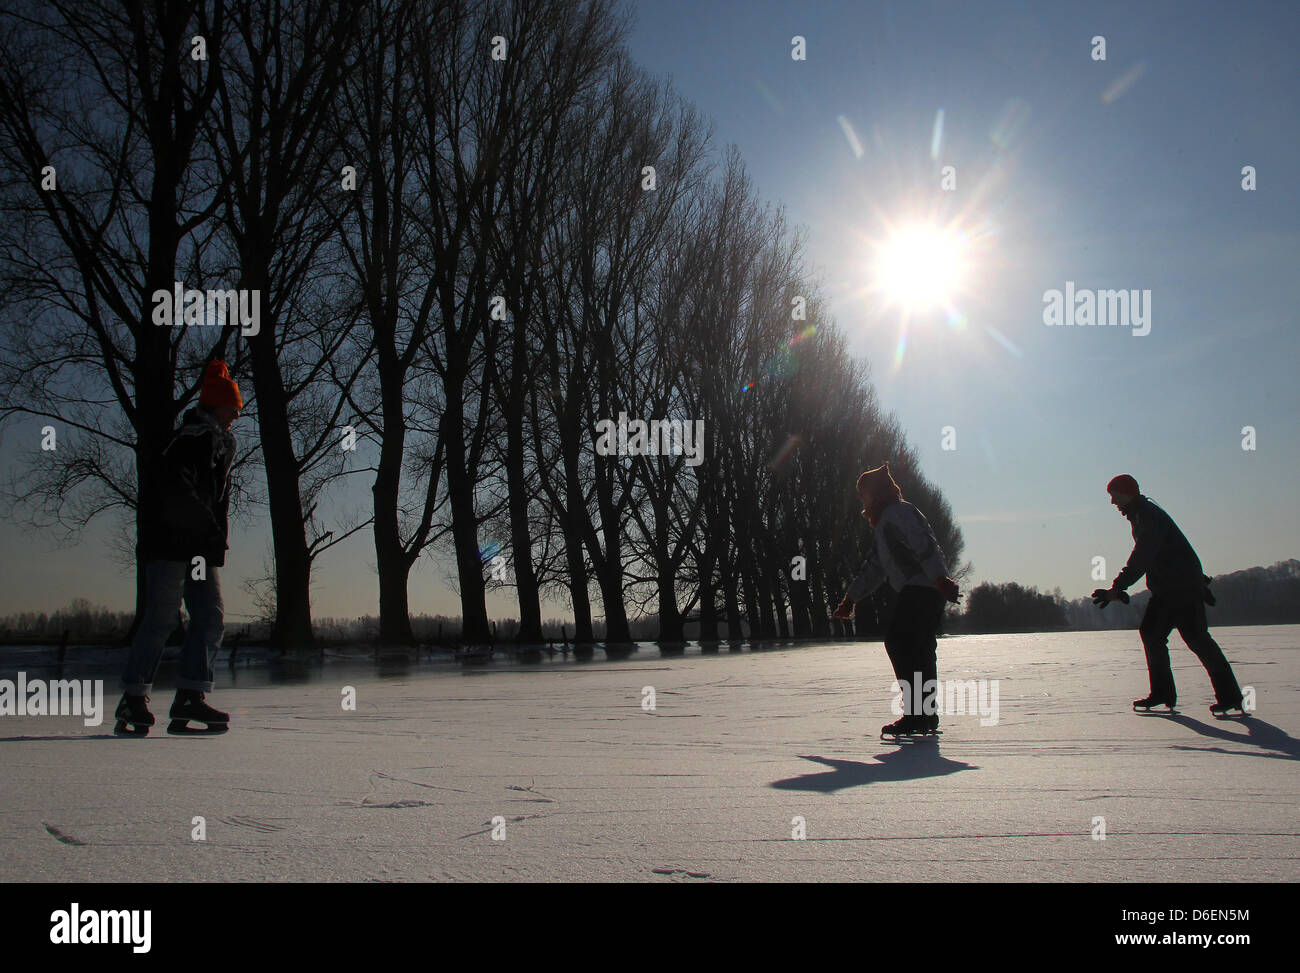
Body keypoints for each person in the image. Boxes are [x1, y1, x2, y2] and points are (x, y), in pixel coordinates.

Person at [114, 360, 242, 736]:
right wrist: (207, 527)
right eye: (232, 407)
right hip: (171, 546)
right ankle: (133, 697)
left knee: (209, 615)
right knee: (162, 617)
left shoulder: (217, 445)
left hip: (198, 551)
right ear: (216, 406)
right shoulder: (189, 441)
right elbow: (176, 493)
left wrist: (211, 537)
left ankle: (190, 695)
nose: (236, 414)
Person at [1091, 474, 1244, 716]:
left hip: (1178, 589)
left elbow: (1144, 554)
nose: (1112, 502)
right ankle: (1168, 694)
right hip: (1173, 588)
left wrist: (1119, 587)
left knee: (1192, 639)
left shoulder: (1147, 515)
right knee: (1161, 635)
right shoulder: (1141, 514)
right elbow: (1174, 551)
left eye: (1115, 496)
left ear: (1128, 493)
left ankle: (1225, 696)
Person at [832, 463, 960, 736]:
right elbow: (876, 567)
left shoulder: (898, 513)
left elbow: (924, 544)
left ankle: (918, 715)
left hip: (922, 589)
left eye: (863, 493)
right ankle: (925, 716)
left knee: (901, 643)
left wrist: (940, 578)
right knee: (918, 649)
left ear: (876, 492)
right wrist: (851, 598)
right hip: (924, 590)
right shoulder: (886, 521)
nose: (861, 499)